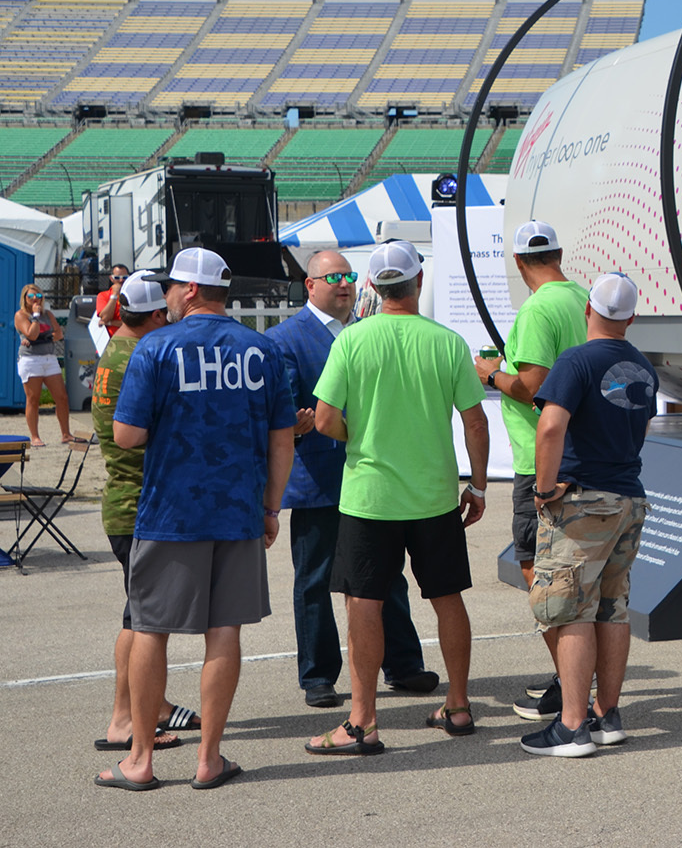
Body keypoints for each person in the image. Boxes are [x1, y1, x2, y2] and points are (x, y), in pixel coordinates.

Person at [98, 247, 296, 791]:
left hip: (169, 511)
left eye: (169, 288)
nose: (165, 297)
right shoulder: (262, 349)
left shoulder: (156, 348)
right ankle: (209, 758)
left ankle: (139, 759)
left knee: (149, 629)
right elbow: (283, 441)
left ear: (187, 291)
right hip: (237, 512)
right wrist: (270, 508)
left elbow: (127, 435)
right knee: (223, 632)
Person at [305, 240, 489, 756]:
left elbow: (322, 419)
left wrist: (359, 434)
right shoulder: (448, 342)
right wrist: (476, 484)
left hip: (370, 497)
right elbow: (474, 421)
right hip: (433, 497)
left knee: (364, 603)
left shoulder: (352, 341)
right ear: (419, 283)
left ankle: (362, 721)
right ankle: (457, 704)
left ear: (371, 288)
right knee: (446, 597)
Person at [265, 251, 439, 709]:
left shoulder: (367, 332)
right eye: (332, 277)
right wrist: (296, 423)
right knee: (317, 580)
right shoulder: (284, 339)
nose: (343, 284)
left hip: (374, 478)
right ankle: (319, 675)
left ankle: (402, 664)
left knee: (387, 577)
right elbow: (279, 411)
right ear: (310, 285)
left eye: (348, 276)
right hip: (318, 479)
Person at [521, 272, 659, 758]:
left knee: (570, 608)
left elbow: (550, 426)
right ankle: (606, 715)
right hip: (629, 497)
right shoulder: (643, 367)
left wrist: (543, 488)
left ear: (588, 310)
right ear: (632, 317)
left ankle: (573, 726)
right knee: (613, 607)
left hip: (583, 501)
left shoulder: (576, 359)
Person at [471, 221, 588, 719]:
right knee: (579, 576)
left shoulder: (539, 308)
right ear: (559, 254)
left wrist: (491, 374)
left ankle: (571, 681)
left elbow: (533, 385)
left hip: (538, 457)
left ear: (518, 263)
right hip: (585, 452)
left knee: (540, 575)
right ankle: (579, 675)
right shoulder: (581, 296)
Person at [91, 270, 203, 754]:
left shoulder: (117, 347)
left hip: (125, 499)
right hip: (141, 504)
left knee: (138, 615)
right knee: (143, 620)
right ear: (156, 315)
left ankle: (149, 705)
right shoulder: (144, 356)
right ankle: (124, 720)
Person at [14, 283, 79, 447]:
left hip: (49, 358)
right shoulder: (21, 315)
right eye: (31, 296)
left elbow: (58, 334)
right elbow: (32, 334)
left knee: (62, 397)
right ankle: (35, 436)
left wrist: (41, 338)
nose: (35, 299)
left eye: (39, 296)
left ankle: (66, 434)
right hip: (31, 360)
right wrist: (35, 316)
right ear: (25, 298)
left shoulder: (48, 314)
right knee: (33, 398)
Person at [96, 264, 131, 329]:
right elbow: (105, 318)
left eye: (125, 277)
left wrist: (111, 323)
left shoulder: (134, 294)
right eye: (117, 277)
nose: (121, 280)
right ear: (111, 278)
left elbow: (133, 323)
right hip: (111, 337)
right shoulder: (103, 296)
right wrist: (114, 295)